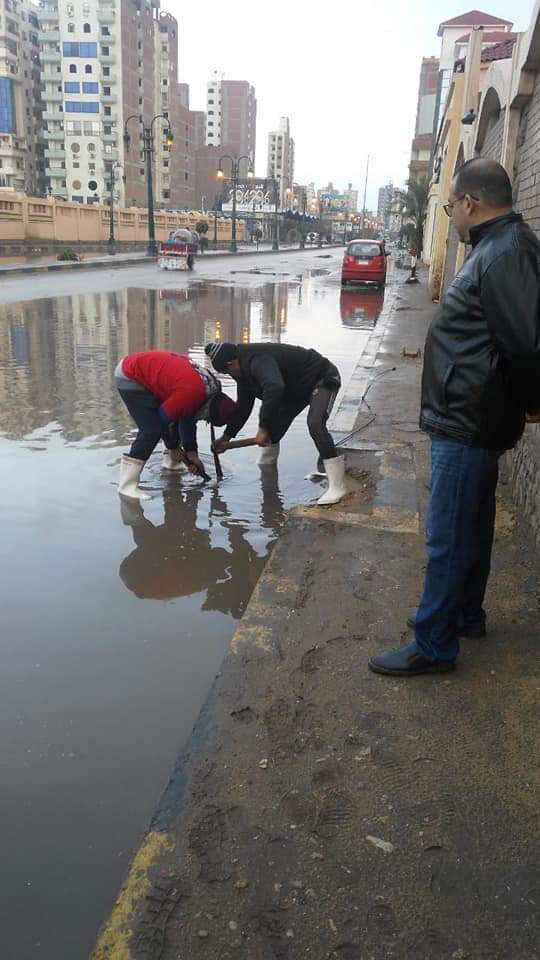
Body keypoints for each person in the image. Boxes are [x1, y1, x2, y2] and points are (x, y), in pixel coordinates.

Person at [369, 158, 540, 678]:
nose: (451, 216)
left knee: (447, 534)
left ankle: (435, 643)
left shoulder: (505, 252)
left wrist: (533, 400)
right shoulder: (499, 247)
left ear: (471, 202)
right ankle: (463, 614)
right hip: (471, 416)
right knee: (470, 526)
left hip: (468, 420)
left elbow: (527, 344)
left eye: (450, 206)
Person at [205, 340, 346, 505]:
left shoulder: (257, 360)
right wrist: (226, 437)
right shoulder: (241, 374)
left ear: (231, 363)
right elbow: (243, 408)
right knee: (271, 431)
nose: (230, 375)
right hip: (294, 391)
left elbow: (274, 386)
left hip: (322, 378)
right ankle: (268, 478)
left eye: (226, 371)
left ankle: (338, 486)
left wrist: (263, 427)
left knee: (315, 424)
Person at [115, 349, 236, 500]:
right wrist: (174, 447)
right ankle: (127, 486)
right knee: (151, 430)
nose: (204, 420)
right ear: (209, 410)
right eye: (207, 419)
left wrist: (191, 452)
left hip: (153, 372)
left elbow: (187, 415)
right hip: (130, 375)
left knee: (175, 414)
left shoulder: (211, 389)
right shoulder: (192, 393)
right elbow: (162, 420)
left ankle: (171, 463)